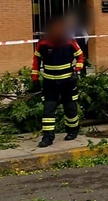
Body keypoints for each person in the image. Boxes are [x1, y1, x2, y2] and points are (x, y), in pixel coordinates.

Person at [31, 18, 84, 147]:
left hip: (68, 82)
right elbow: (36, 61)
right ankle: (48, 137)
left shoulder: (70, 42)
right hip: (50, 83)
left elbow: (80, 56)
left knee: (70, 109)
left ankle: (72, 130)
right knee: (48, 110)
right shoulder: (42, 43)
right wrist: (35, 79)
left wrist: (76, 71)